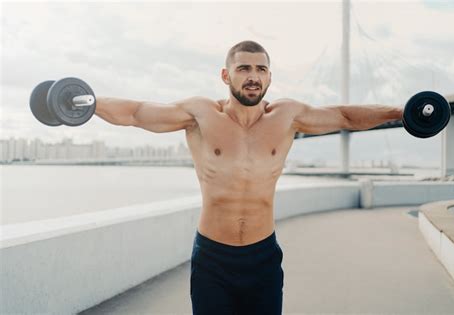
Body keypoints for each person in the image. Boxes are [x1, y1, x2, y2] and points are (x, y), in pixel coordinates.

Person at [94, 40, 403, 315]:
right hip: (212, 257)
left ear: (269, 77)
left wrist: (401, 112)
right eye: (243, 68)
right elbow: (135, 113)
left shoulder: (287, 116)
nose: (253, 76)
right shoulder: (200, 114)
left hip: (262, 256)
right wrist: (87, 103)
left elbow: (345, 116)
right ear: (226, 76)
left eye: (261, 69)